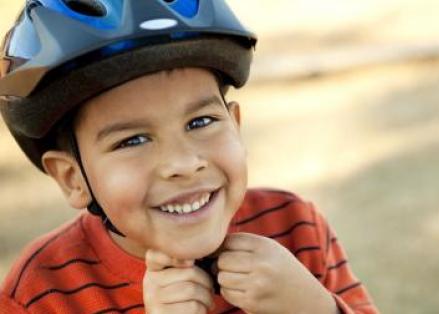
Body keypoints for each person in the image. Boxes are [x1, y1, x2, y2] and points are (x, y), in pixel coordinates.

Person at [0, 1, 379, 313]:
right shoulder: (41, 292)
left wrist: (313, 308)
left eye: (200, 121)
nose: (183, 163)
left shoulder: (295, 228)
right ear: (72, 178)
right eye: (132, 141)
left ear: (236, 126)